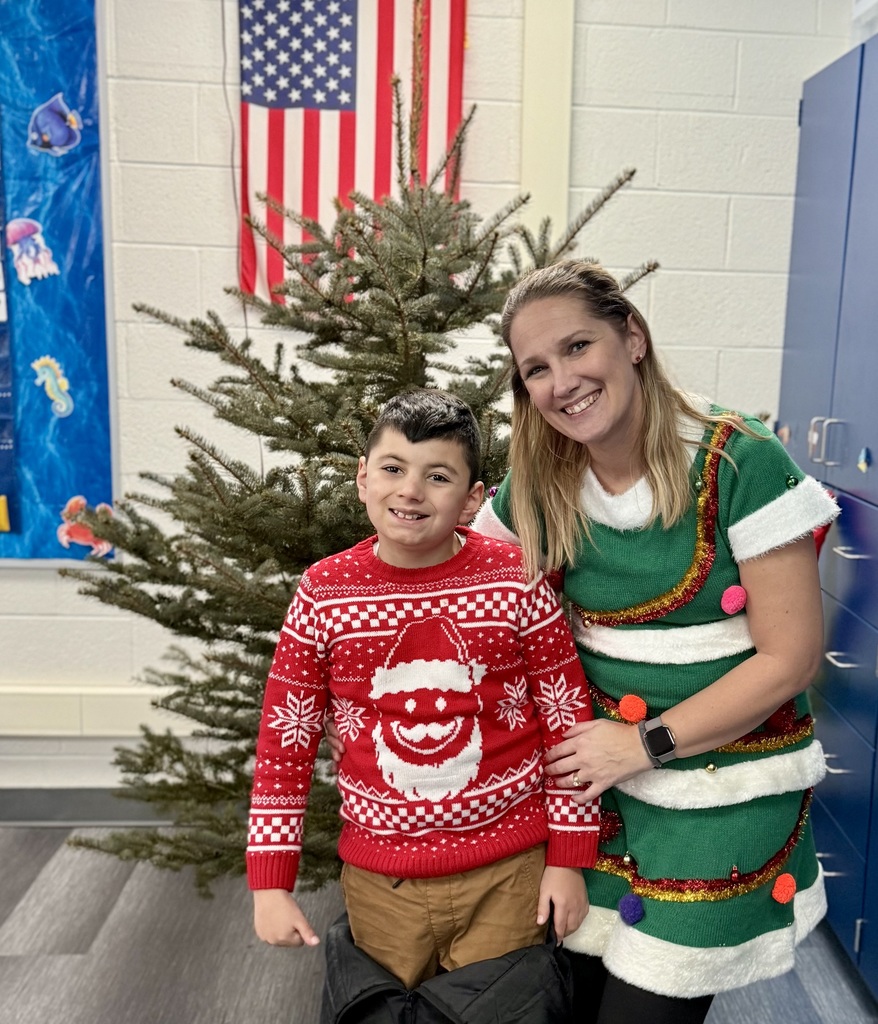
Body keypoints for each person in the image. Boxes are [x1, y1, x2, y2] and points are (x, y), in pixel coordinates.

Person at [468, 260, 839, 1024]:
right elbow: (468, 606)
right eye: (536, 368)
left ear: (632, 338)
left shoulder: (738, 459)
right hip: (596, 783)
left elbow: (792, 659)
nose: (562, 382)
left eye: (577, 347)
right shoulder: (539, 476)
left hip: (720, 777)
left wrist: (644, 744)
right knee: (567, 998)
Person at [246, 388, 601, 994]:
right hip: (382, 883)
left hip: (508, 872)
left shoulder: (517, 582)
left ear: (471, 499)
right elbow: (287, 742)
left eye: (437, 476)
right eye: (393, 469)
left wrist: (569, 859)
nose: (410, 490)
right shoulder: (323, 593)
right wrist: (270, 883)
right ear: (363, 478)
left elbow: (567, 724)